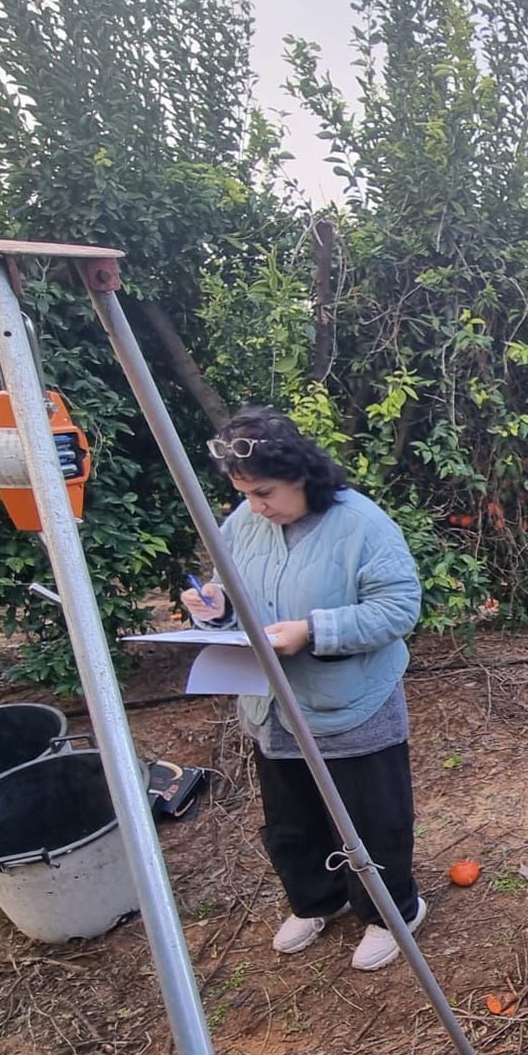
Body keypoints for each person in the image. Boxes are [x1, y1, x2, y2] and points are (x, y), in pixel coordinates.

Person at [180, 406, 426, 971]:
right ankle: (317, 898)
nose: (256, 506)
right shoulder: (246, 522)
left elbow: (397, 609)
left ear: (302, 475)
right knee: (292, 816)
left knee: (371, 815)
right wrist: (213, 606)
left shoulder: (361, 524)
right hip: (271, 706)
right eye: (245, 493)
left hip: (351, 703)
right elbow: (228, 586)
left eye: (265, 492)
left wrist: (313, 631)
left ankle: (391, 913)